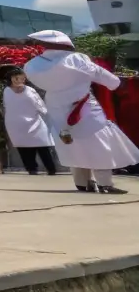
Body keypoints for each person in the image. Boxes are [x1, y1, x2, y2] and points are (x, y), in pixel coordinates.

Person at [22, 30, 138, 195]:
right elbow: (98, 73)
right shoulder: (76, 58)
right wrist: (117, 84)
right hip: (83, 106)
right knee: (99, 144)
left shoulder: (32, 65)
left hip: (56, 106)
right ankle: (105, 184)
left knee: (72, 144)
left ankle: (82, 183)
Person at [0, 66, 58, 176]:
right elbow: (7, 106)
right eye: (16, 78)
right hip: (15, 124)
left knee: (43, 146)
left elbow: (40, 105)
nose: (19, 80)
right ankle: (31, 169)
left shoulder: (30, 90)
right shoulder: (7, 91)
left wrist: (48, 113)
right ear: (11, 79)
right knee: (23, 147)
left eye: (22, 78)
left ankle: (51, 169)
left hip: (35, 122)